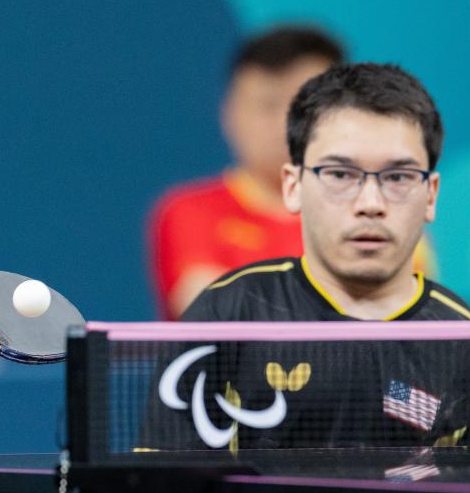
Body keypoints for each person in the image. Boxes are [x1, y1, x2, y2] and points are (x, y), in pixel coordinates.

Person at [142, 63, 470, 453]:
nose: (370, 204)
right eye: (340, 174)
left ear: (431, 195)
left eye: (398, 177)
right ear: (294, 186)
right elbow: (163, 491)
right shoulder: (228, 314)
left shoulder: (461, 339)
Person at [145, 27, 345, 320]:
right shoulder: (188, 211)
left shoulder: (375, 211)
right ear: (229, 112)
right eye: (267, 105)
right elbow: (210, 308)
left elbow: (402, 318)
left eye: (305, 106)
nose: (286, 123)